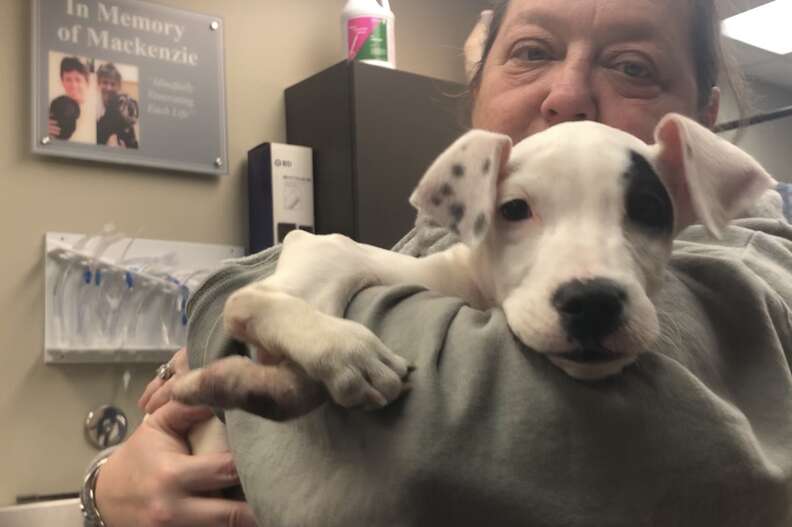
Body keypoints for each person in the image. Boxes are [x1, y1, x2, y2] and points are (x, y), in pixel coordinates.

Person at [85, 0, 792, 525]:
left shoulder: (751, 265)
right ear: (476, 80)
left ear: (703, 115)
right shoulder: (425, 249)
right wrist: (107, 489)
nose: (569, 97)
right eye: (531, 50)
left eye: (633, 66)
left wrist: (229, 301)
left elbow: (427, 450)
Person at [48, 56, 94, 142]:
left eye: (78, 80)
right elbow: (43, 142)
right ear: (62, 81)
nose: (73, 85)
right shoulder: (52, 109)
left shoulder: (96, 114)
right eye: (68, 79)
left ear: (87, 82)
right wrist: (43, 134)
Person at [96, 62, 140, 149]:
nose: (108, 88)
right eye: (105, 83)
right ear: (98, 84)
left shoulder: (123, 107)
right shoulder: (94, 108)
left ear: (119, 86)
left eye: (113, 84)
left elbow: (132, 143)